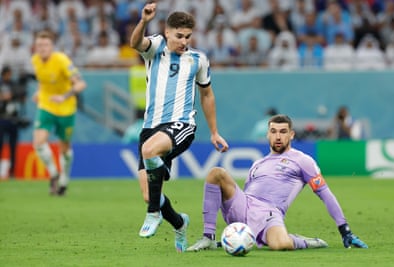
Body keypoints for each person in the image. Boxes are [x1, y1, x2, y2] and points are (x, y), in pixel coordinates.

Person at [187, 114, 368, 252]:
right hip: (244, 205)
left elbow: (325, 194)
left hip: (271, 213)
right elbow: (246, 192)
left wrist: (345, 230)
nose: (278, 137)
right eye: (273, 132)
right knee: (216, 173)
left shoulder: (303, 161)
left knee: (281, 245)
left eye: (283, 132)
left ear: (291, 135)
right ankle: (208, 237)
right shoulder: (258, 163)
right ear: (268, 134)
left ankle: (303, 241)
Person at [129, 3, 229, 253]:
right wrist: (143, 21)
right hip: (150, 127)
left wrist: (214, 131)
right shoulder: (155, 48)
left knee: (150, 152)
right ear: (167, 33)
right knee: (148, 193)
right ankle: (179, 222)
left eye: (188, 36)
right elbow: (134, 43)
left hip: (181, 124)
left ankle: (153, 214)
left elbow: (207, 95)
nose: (184, 41)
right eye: (179, 36)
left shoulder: (198, 59)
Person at [30, 30, 87, 196]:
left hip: (66, 108)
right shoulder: (35, 61)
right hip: (46, 105)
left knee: (64, 148)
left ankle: (64, 179)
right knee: (39, 142)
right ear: (35, 47)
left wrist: (64, 96)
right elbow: (43, 82)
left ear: (52, 46)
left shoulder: (61, 60)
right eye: (39, 45)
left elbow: (80, 84)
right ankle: (54, 173)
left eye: (45, 45)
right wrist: (38, 93)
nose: (42, 48)